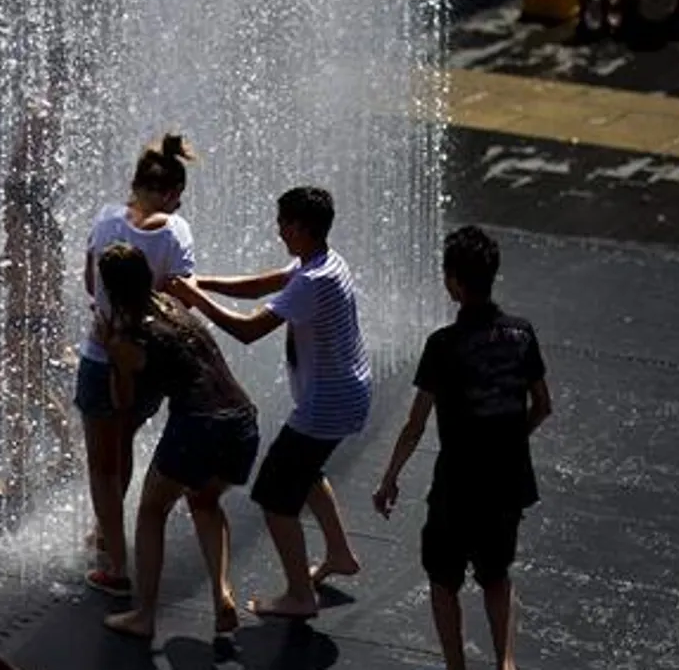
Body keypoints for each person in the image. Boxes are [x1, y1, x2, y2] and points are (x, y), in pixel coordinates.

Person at [182, 186, 370, 620]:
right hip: (346, 394)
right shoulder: (322, 261)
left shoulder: (313, 281)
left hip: (328, 405)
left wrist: (197, 301)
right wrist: (202, 283)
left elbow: (248, 331)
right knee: (306, 471)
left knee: (273, 496)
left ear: (301, 228)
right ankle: (339, 553)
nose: (278, 229)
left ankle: (300, 597)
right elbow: (267, 283)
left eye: (283, 222)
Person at [373, 227, 553, 670]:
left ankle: (456, 666)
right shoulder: (522, 334)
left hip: (458, 483)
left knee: (443, 577)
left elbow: (416, 424)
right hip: (508, 480)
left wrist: (390, 477)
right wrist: (512, 439)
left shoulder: (443, 346)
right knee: (496, 575)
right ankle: (505, 663)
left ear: (454, 281)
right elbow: (544, 405)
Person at [96, 242, 260, 640]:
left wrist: (111, 350)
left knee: (151, 510)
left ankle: (144, 616)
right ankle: (221, 594)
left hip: (199, 426)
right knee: (204, 500)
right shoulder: (173, 305)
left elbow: (124, 403)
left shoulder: (131, 334)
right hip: (242, 420)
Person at [76, 133, 202, 597]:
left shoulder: (108, 219)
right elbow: (180, 298)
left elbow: (92, 284)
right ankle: (107, 533)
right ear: (170, 192)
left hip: (100, 353)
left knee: (100, 462)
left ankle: (113, 556)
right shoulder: (176, 232)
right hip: (148, 360)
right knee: (123, 439)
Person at [0, 96, 76, 493]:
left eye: (8, 210)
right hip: (35, 319)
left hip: (25, 320)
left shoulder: (25, 235)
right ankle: (67, 455)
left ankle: (19, 475)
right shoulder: (41, 234)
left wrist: (5, 269)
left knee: (17, 393)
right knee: (32, 390)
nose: (4, 215)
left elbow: (20, 274)